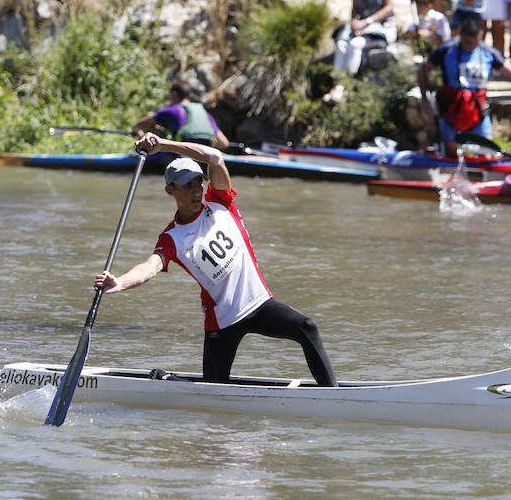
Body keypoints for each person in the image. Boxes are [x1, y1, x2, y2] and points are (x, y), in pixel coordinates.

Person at [95, 134, 338, 386]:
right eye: (186, 185)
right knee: (213, 389)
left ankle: (333, 396)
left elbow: (214, 156)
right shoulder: (172, 238)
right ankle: (166, 379)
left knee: (307, 327)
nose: (195, 190)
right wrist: (119, 283)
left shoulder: (222, 202)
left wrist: (164, 146)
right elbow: (150, 267)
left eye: (198, 183)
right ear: (170, 190)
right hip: (222, 322)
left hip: (260, 305)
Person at [417, 16, 511, 157]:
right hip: (451, 109)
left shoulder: (488, 52)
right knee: (451, 151)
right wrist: (425, 99)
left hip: (477, 109)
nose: (470, 46)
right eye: (467, 42)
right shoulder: (447, 49)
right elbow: (422, 70)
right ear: (461, 36)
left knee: (487, 151)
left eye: (474, 42)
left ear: (481, 36)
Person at [134, 80, 231, 148]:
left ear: (174, 94)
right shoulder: (204, 113)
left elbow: (140, 124)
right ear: (190, 95)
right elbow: (224, 143)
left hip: (182, 155)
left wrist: (139, 132)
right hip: (205, 155)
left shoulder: (170, 110)